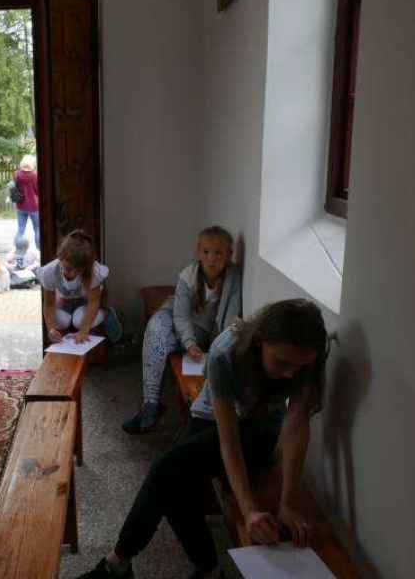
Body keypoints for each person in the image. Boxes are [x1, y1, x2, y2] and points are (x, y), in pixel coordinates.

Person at [78, 299, 330, 579]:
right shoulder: (225, 352)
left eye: (299, 366)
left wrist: (288, 503)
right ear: (259, 341)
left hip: (260, 427)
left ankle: (118, 566)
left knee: (166, 472)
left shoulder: (308, 358)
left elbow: (296, 422)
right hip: (215, 418)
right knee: (171, 481)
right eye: (282, 363)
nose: (290, 374)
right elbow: (228, 439)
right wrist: (249, 511)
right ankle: (205, 570)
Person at [123, 226, 241, 434]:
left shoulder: (232, 280)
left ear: (229, 254)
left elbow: (230, 320)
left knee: (166, 341)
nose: (211, 259)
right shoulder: (188, 276)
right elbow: (180, 315)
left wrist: (214, 347)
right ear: (198, 252)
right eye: (206, 252)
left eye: (218, 253)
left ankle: (162, 408)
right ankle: (151, 403)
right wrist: (189, 343)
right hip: (175, 318)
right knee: (155, 331)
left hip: (200, 330)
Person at [37, 229, 122, 344]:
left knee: (78, 321)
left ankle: (107, 313)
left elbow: (93, 301)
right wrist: (51, 329)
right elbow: (49, 304)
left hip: (85, 303)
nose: (72, 274)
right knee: (61, 322)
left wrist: (84, 330)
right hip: (63, 304)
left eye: (78, 271)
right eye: (68, 269)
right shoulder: (50, 272)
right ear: (60, 256)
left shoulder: (94, 271)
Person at [13, 154, 40, 251]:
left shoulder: (17, 174)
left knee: (21, 229)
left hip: (20, 206)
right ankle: (40, 250)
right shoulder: (34, 175)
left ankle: (18, 249)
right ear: (32, 163)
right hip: (34, 206)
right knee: (37, 229)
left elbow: (15, 188)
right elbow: (38, 190)